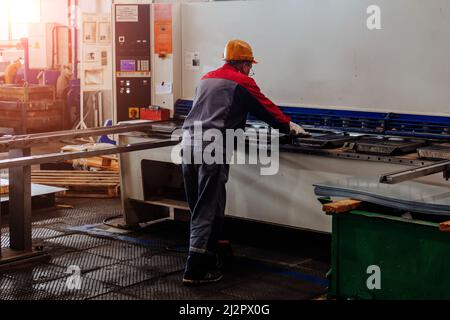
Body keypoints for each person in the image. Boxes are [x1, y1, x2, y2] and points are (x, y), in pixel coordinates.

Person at [181, 39, 308, 285]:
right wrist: (289, 126)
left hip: (187, 144)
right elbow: (266, 109)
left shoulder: (206, 78)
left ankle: (215, 250)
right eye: (250, 65)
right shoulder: (241, 81)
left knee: (201, 204)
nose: (251, 70)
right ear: (243, 63)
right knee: (208, 206)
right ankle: (195, 270)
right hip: (212, 147)